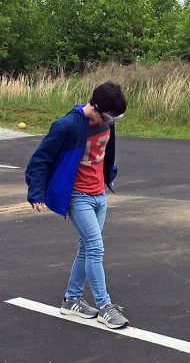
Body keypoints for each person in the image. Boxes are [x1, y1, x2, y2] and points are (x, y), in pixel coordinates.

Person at [25, 81, 130, 329]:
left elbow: (105, 152)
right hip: (78, 196)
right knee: (95, 248)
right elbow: (40, 160)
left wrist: (108, 174)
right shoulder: (67, 126)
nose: (111, 122)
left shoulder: (107, 122)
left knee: (86, 248)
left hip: (99, 194)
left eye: (116, 119)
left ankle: (71, 300)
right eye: (107, 117)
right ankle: (105, 306)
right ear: (94, 107)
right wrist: (37, 192)